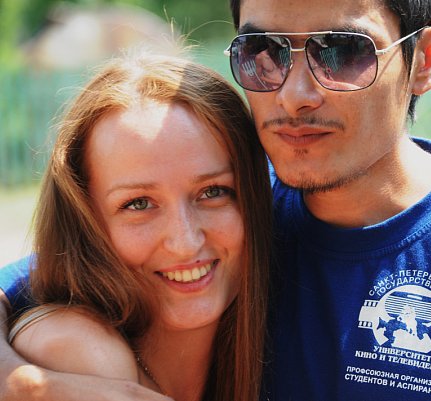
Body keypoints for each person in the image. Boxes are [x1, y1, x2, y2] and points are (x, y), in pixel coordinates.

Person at [1, 0, 431, 400]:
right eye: (263, 53)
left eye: (342, 52)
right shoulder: (225, 224)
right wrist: (24, 383)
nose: (294, 94)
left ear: (429, 59)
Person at [0, 53, 272, 401]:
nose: (185, 242)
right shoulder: (78, 354)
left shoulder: (285, 312)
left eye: (213, 192)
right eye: (139, 204)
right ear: (85, 222)